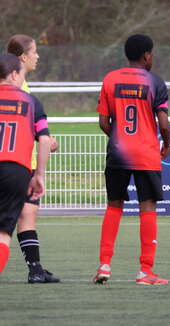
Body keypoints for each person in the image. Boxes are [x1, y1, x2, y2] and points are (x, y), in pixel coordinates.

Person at [93, 34, 170, 285]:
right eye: (152, 54)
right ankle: (145, 271)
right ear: (147, 55)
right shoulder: (155, 82)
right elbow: (164, 123)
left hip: (117, 153)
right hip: (147, 153)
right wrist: (166, 144)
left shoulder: (110, 79)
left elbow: (103, 122)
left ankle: (104, 265)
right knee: (147, 208)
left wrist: (118, 136)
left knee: (114, 205)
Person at [7, 34, 60, 283]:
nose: (38, 56)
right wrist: (45, 142)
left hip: (20, 163)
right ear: (22, 58)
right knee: (17, 219)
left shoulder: (23, 89)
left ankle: (35, 269)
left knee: (27, 215)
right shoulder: (22, 92)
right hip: (19, 165)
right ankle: (35, 269)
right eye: (34, 51)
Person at [0, 53, 51, 274]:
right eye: (21, 74)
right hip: (15, 171)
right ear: (13, 74)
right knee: (3, 234)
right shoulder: (30, 101)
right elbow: (46, 140)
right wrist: (39, 174)